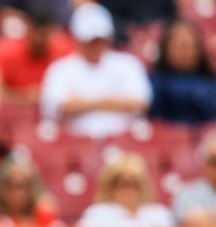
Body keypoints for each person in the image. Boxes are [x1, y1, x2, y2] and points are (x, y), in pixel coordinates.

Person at [40, 3, 151, 139]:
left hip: (123, 142)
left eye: (100, 40)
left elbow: (139, 102)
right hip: (74, 145)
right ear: (77, 39)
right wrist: (114, 101)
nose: (96, 45)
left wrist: (84, 102)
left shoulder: (128, 64)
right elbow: (61, 107)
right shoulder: (60, 69)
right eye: (90, 41)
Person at [149, 19, 216, 125]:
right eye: (180, 47)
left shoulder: (215, 79)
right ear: (166, 49)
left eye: (190, 47)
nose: (185, 53)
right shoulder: (156, 82)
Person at [77, 151, 175, 227]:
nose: (128, 191)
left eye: (134, 184)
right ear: (111, 187)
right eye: (123, 184)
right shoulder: (97, 214)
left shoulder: (158, 214)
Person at [0, 4, 73, 103]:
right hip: (17, 113)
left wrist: (49, 95)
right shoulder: (7, 53)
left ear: (52, 31)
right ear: (27, 27)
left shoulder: (65, 53)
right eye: (35, 32)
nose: (38, 39)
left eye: (43, 33)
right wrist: (23, 96)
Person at [0, 155, 60, 227]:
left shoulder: (43, 216)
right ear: (1, 188)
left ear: (31, 189)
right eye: (9, 185)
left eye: (21, 186)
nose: (15, 192)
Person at [173, 133, 216, 227]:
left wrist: (213, 220)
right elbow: (194, 226)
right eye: (215, 161)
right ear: (205, 166)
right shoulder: (188, 193)